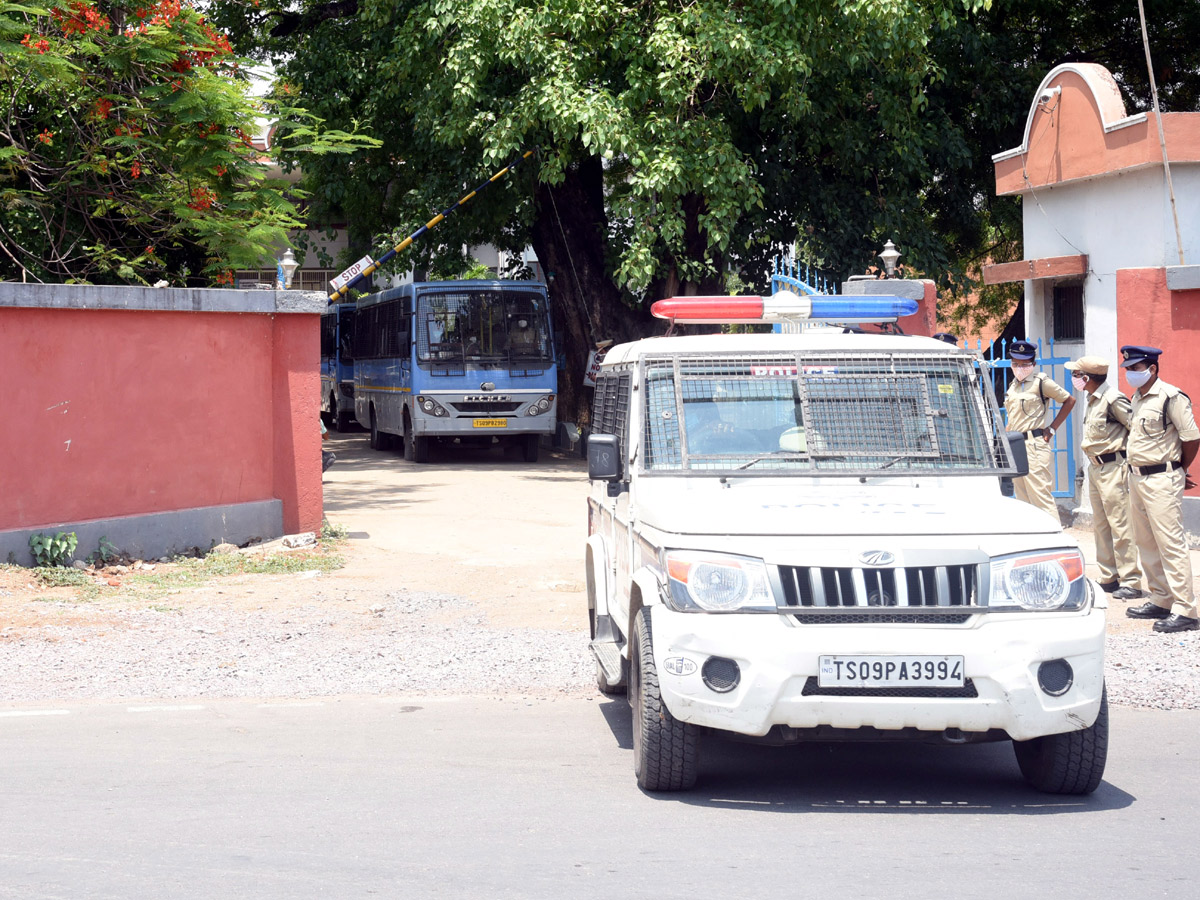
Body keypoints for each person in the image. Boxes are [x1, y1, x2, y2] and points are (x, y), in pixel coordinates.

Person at [1120, 345, 1200, 633]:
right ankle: (1160, 598)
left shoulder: (1171, 397)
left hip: (1162, 478)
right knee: (1146, 541)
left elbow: (1191, 438)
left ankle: (1185, 609)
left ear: (1152, 368)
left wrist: (1180, 468)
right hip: (1137, 478)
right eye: (1128, 368)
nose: (1130, 373)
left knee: (1170, 543)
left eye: (1136, 368)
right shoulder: (1138, 398)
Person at [1065, 355, 1143, 600]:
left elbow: (1136, 429)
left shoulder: (1113, 399)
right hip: (1096, 468)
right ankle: (1109, 576)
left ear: (1086, 378)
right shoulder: (1092, 399)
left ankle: (1131, 580)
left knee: (1120, 524)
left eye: (1076, 374)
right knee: (1101, 525)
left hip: (1113, 467)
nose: (1074, 378)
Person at [1003, 339, 1075, 521]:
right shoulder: (1013, 385)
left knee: (1040, 497)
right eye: (1016, 363)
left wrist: (1052, 428)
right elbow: (1012, 417)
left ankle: (1055, 539)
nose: (1020, 367)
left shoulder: (1041, 382)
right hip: (1015, 444)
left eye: (1025, 364)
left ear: (1033, 364)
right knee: (1022, 499)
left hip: (1034, 445)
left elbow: (1069, 400)